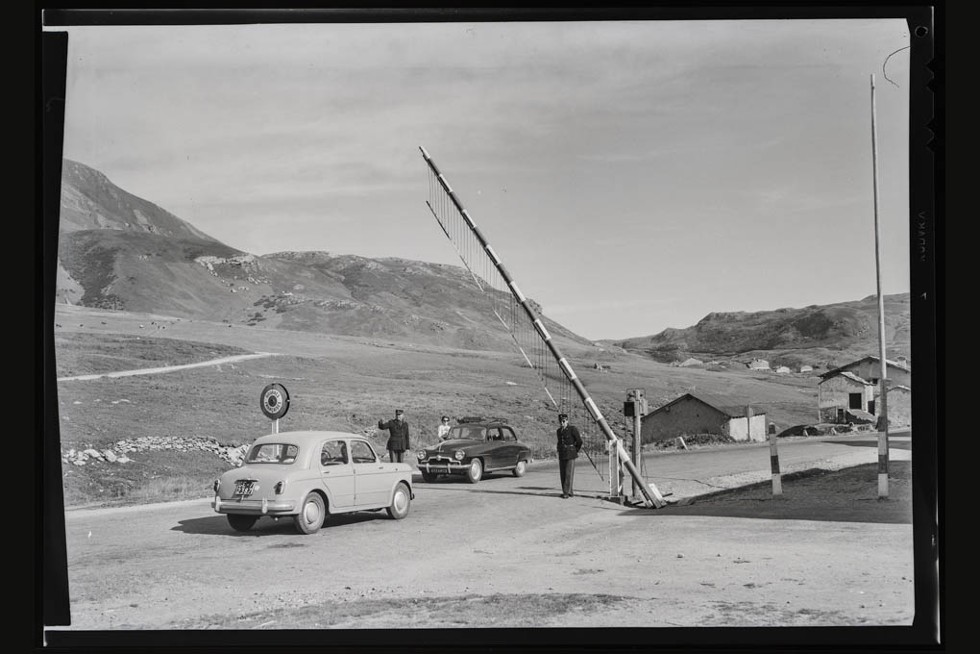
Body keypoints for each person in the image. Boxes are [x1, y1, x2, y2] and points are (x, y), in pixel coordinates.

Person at [555, 413, 582, 498]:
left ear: (567, 421)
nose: (562, 423)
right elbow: (559, 442)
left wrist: (575, 450)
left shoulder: (572, 429)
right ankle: (569, 491)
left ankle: (566, 493)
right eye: (560, 422)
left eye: (563, 421)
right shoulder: (559, 431)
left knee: (568, 473)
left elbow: (579, 441)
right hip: (562, 453)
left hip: (570, 453)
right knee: (563, 473)